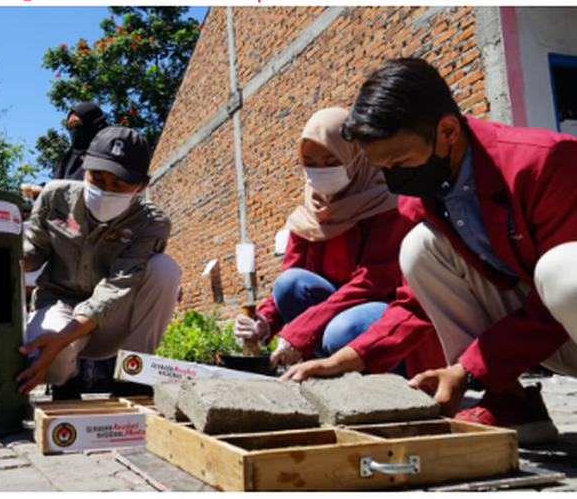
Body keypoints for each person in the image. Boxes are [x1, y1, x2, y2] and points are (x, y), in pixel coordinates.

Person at [340, 57, 577, 445]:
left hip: (566, 311)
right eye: (383, 168)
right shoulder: (425, 200)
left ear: (447, 130)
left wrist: (467, 370)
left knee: (563, 271)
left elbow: (559, 299)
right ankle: (513, 403)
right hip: (560, 338)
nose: (394, 179)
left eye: (400, 162)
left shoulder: (546, 162)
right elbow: (415, 303)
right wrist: (351, 357)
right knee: (419, 248)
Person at [235, 108, 445, 380]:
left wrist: (301, 332)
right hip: (334, 309)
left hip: (384, 313)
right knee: (290, 283)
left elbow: (372, 284)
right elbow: (288, 278)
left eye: (330, 161)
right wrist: (263, 324)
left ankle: (387, 384)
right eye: (309, 162)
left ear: (355, 156)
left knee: (341, 331)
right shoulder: (310, 211)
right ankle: (327, 378)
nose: (319, 172)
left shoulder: (386, 204)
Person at [16, 126, 181, 396]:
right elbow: (34, 249)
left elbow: (116, 287)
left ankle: (133, 378)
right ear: (85, 168)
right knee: (45, 357)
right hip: (60, 303)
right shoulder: (55, 196)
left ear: (142, 185)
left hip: (113, 320)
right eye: (97, 179)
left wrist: (65, 336)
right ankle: (65, 383)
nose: (106, 190)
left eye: (119, 184)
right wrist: (13, 261)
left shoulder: (151, 222)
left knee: (164, 269)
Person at [20, 102, 106, 202]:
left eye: (78, 125)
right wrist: (38, 192)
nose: (74, 131)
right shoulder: (68, 159)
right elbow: (59, 190)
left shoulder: (106, 155)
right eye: (70, 126)